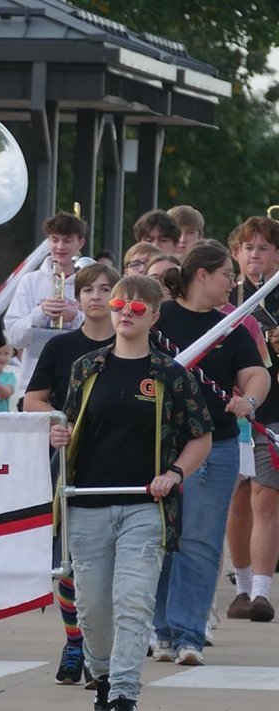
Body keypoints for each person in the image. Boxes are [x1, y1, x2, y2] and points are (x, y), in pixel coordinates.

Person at [50, 274, 212, 711]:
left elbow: (201, 436)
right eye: (121, 303)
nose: (125, 311)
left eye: (138, 308)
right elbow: (68, 423)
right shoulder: (87, 367)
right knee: (93, 608)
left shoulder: (171, 374)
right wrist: (58, 433)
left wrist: (174, 474)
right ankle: (101, 674)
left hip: (146, 506)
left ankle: (124, 692)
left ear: (154, 317)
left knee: (133, 601)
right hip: (86, 503)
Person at [151, 240, 270, 665]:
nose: (232, 284)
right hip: (157, 445)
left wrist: (249, 401)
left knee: (199, 541)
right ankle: (159, 627)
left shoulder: (232, 326)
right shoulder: (157, 318)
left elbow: (256, 374)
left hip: (214, 444)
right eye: (226, 275)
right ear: (202, 275)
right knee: (159, 540)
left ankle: (188, 634)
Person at [25, 262, 120, 684]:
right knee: (67, 563)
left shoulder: (135, 342)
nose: (97, 297)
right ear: (77, 299)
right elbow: (32, 400)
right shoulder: (60, 347)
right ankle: (74, 642)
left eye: (106, 289)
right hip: (70, 463)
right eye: (89, 290)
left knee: (113, 567)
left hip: (122, 461)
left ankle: (107, 647)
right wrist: (58, 421)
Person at [225, 216, 279, 622]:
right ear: (236, 253)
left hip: (274, 411)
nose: (255, 255)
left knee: (266, 496)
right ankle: (242, 587)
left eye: (263, 247)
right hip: (232, 411)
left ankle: (262, 591)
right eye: (248, 248)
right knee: (237, 500)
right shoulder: (227, 297)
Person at [4, 211, 87, 397]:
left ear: (80, 243)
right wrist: (41, 313)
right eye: (54, 239)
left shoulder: (92, 282)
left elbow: (104, 333)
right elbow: (14, 338)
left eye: (67, 240)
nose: (59, 246)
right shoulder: (30, 281)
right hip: (33, 384)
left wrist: (75, 317)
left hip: (79, 383)